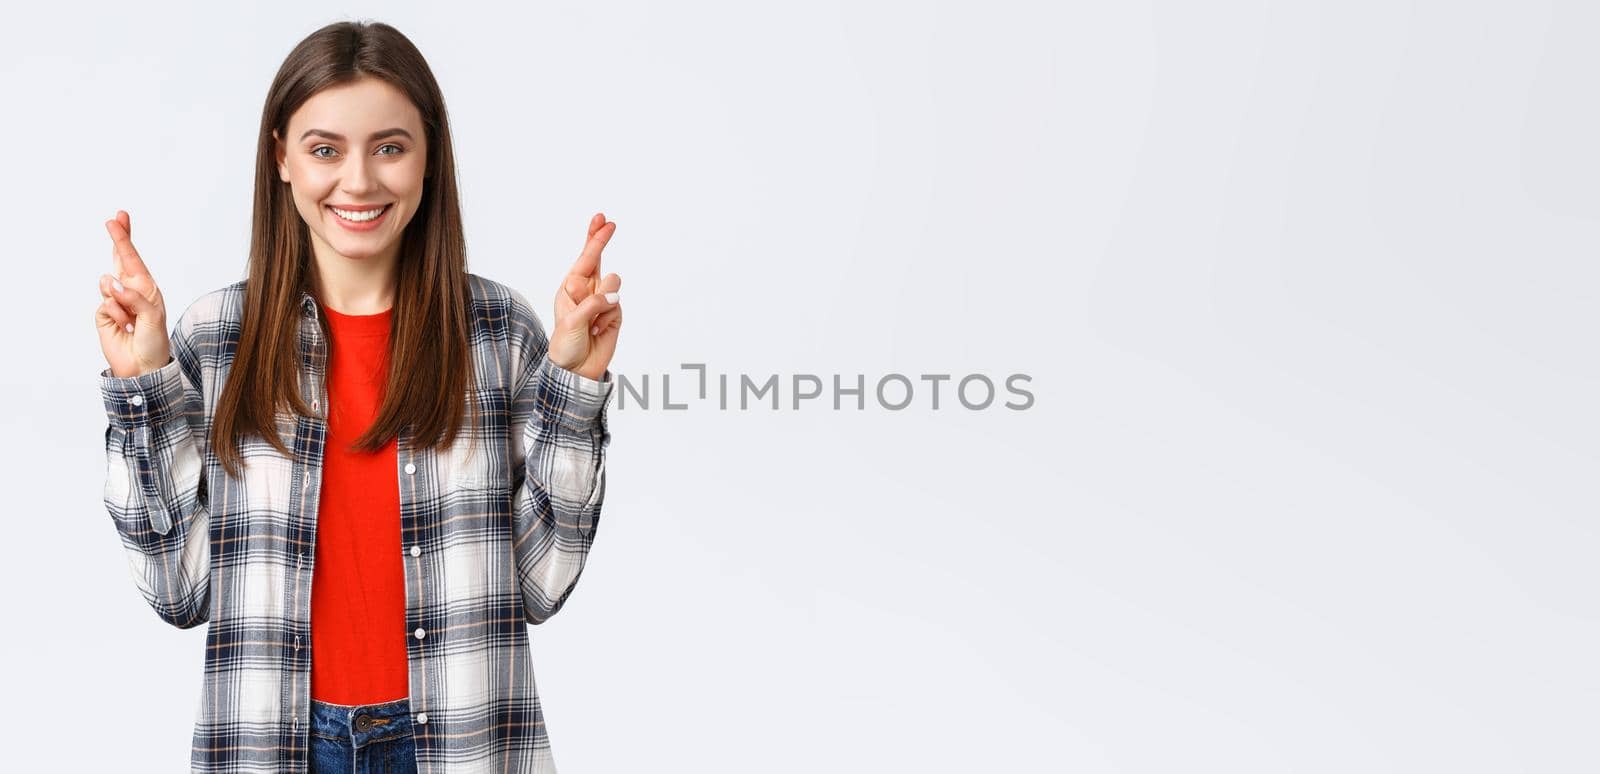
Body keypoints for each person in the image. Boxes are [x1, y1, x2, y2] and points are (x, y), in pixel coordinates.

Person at [92, 20, 622, 774]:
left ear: (429, 158)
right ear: (281, 157)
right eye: (324, 149)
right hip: (274, 746)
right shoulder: (216, 338)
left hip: (462, 745)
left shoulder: (500, 332)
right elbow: (180, 591)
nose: (359, 182)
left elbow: (542, 583)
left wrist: (574, 384)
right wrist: (142, 384)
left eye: (391, 147)